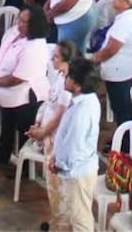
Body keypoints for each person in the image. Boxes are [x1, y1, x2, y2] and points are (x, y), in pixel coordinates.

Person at [0, 4, 50, 165]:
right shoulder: (14, 32)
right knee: (6, 125)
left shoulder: (35, 47)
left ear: (34, 25)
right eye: (19, 19)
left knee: (23, 131)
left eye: (24, 22)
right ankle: (2, 155)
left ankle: (24, 167)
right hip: (6, 91)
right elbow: (2, 51)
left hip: (24, 95)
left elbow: (18, 78)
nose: (19, 24)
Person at [25, 41, 75, 231]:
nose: (51, 59)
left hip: (57, 141)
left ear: (65, 61)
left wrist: (43, 131)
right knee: (52, 186)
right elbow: (49, 103)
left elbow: (60, 114)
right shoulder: (59, 77)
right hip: (48, 138)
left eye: (55, 57)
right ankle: (56, 221)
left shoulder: (69, 83)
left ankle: (62, 226)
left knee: (59, 186)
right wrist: (38, 123)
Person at [50, 57, 101, 232]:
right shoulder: (85, 100)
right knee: (70, 213)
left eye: (69, 76)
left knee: (80, 220)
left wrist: (58, 164)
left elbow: (72, 148)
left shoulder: (82, 112)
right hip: (73, 169)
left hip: (76, 172)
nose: (66, 78)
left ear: (78, 86)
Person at [91, 0, 132, 127]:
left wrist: (93, 59)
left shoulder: (125, 23)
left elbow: (110, 50)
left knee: (121, 109)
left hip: (117, 70)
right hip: (124, 68)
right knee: (123, 106)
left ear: (127, 2)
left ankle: (125, 143)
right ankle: (125, 138)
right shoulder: (129, 17)